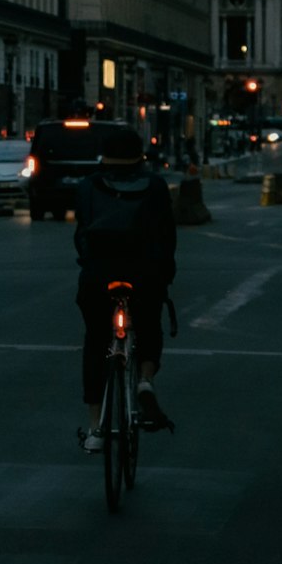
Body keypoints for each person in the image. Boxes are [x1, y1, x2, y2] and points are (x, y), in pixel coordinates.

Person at [73, 127, 176, 451]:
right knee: (148, 327)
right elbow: (167, 238)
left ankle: (95, 430)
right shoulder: (156, 187)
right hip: (144, 273)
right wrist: (164, 276)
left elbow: (82, 234)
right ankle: (145, 379)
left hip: (100, 275)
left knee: (96, 343)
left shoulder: (88, 186)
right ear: (139, 157)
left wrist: (89, 264)